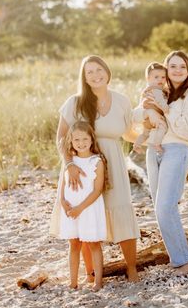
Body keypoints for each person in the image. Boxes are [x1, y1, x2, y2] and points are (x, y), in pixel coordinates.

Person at [50, 55, 141, 282]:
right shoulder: (75, 102)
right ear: (84, 77)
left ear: (107, 72)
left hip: (113, 164)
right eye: (89, 72)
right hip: (79, 167)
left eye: (99, 69)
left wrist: (147, 137)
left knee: (120, 210)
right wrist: (69, 164)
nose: (95, 75)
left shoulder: (121, 101)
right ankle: (91, 274)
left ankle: (132, 269)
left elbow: (128, 133)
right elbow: (61, 137)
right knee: (84, 215)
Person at [133, 51, 188, 275]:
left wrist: (166, 110)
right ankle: (179, 257)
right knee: (159, 208)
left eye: (182, 66)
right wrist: (146, 108)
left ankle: (184, 260)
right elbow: (136, 118)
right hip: (153, 152)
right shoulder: (158, 89)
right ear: (165, 69)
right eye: (172, 66)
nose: (177, 71)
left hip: (176, 149)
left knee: (166, 206)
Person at [59, 121, 108, 290]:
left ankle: (98, 281)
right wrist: (62, 202)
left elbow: (97, 190)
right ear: (71, 142)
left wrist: (80, 208)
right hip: (71, 209)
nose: (81, 143)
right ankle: (73, 282)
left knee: (94, 244)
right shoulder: (70, 162)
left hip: (89, 209)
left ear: (91, 139)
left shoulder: (97, 161)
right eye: (77, 140)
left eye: (85, 139)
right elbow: (63, 184)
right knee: (74, 245)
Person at [133, 62, 169, 154]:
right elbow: (161, 102)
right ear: (148, 79)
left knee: (145, 134)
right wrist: (167, 109)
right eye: (156, 77)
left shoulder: (146, 90)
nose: (160, 80)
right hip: (154, 118)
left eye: (163, 77)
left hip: (147, 119)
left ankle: (136, 145)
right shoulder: (157, 90)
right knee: (163, 127)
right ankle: (157, 144)